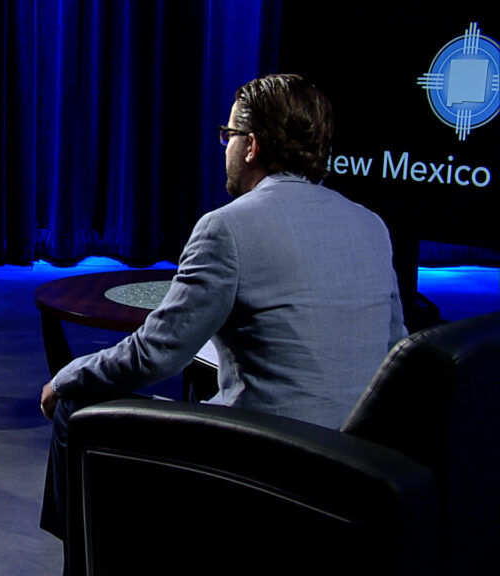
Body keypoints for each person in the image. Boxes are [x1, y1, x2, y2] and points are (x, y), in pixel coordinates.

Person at [38, 74, 407, 545]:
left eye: (227, 135)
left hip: (264, 458)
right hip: (354, 461)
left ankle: (88, 561)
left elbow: (154, 356)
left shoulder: (225, 228)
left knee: (74, 405)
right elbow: (393, 349)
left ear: (250, 146)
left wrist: (66, 375)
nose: (224, 147)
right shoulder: (370, 223)